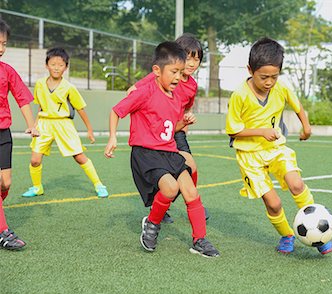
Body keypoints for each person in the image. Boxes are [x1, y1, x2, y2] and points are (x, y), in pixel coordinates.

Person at [104, 41, 219, 258]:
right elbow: (116, 111)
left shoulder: (176, 99)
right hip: (146, 154)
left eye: (180, 72)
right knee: (169, 188)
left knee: (191, 191)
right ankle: (152, 223)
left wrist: (184, 123)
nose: (178, 77)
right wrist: (112, 137)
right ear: (157, 71)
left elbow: (169, 128)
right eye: (174, 72)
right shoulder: (144, 92)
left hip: (168, 151)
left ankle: (199, 240)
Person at [225, 37, 332, 255]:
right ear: (250, 70)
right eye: (263, 77)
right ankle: (286, 235)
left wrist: (306, 127)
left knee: (296, 184)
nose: (269, 82)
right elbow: (233, 130)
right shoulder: (239, 95)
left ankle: (316, 228)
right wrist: (262, 132)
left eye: (274, 77)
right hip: (249, 157)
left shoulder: (281, 88)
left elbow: (297, 106)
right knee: (273, 204)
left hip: (276, 149)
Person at [128, 33, 208, 224]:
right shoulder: (163, 74)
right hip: (158, 134)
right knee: (168, 177)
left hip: (177, 131)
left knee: (191, 167)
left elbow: (188, 105)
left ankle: (190, 202)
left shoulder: (193, 85)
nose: (192, 63)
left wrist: (185, 124)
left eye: (197, 59)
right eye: (188, 57)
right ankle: (161, 207)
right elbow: (132, 91)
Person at [22, 47, 108, 198]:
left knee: (79, 157)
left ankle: (98, 184)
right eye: (53, 64)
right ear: (46, 65)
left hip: (64, 124)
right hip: (44, 124)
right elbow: (41, 106)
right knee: (35, 160)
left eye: (60, 65)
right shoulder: (40, 84)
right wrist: (34, 126)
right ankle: (37, 187)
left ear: (66, 67)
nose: (56, 67)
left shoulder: (69, 87)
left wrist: (89, 129)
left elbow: (80, 108)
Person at [0, 18, 39, 250]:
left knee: (5, 183)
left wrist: (32, 124)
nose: (1, 48)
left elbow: (23, 98)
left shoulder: (7, 71)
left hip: (3, 133)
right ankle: (3, 231)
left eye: (4, 43)